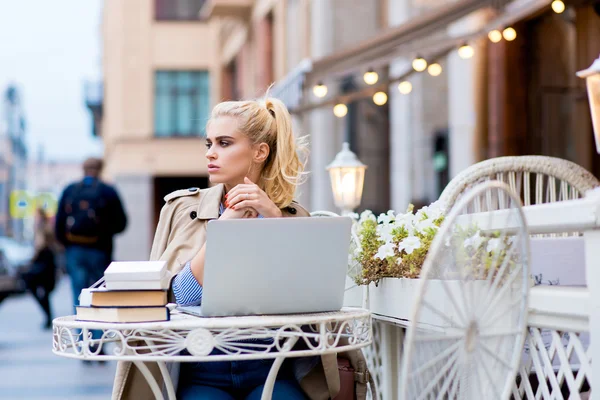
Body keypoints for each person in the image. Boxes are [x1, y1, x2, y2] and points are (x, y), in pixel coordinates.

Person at [112, 96, 370, 400]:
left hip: (273, 365)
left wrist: (273, 218)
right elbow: (180, 297)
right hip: (202, 365)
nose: (211, 153)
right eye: (208, 144)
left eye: (224, 143)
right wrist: (224, 227)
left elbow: (309, 299)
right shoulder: (182, 209)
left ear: (260, 152)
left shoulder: (291, 216)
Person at [54, 157, 127, 321]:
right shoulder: (108, 191)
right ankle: (97, 340)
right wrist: (104, 235)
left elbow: (58, 223)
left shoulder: (70, 190)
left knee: (79, 293)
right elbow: (122, 223)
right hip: (100, 250)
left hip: (75, 250)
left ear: (83, 169)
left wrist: (67, 244)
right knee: (100, 293)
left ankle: (82, 339)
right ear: (100, 169)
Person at [21, 208, 57, 329]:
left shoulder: (43, 227)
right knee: (44, 293)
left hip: (44, 262)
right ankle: (48, 317)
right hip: (47, 262)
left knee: (38, 289)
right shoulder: (46, 227)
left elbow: (40, 245)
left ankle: (48, 317)